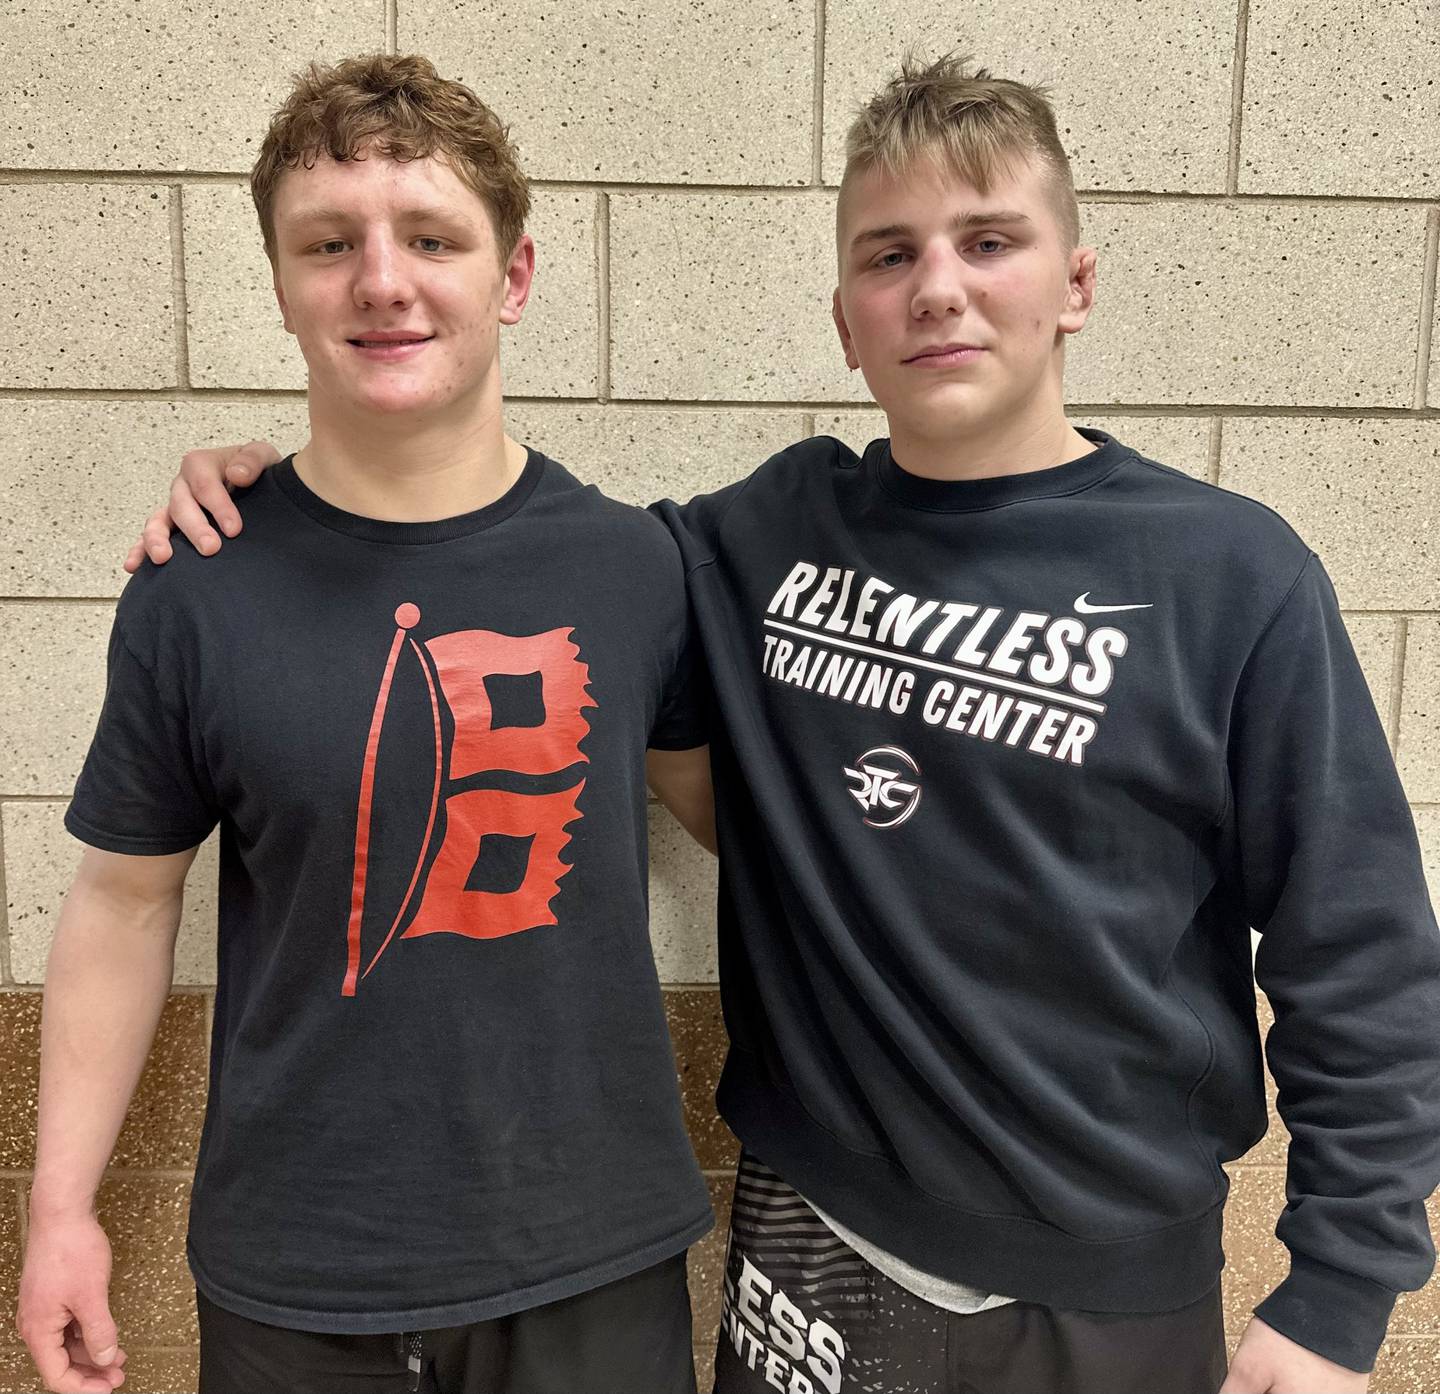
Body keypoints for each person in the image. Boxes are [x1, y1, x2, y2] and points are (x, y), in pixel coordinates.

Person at [122, 54, 1440, 1394]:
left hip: (1104, 1275)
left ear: (1076, 284)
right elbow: (501, 550)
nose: (939, 286)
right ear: (843, 319)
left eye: (990, 241)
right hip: (810, 1236)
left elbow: (1363, 942)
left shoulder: (1229, 576)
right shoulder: (757, 537)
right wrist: (271, 494)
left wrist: (1342, 1280)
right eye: (889, 254)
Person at [16, 53, 721, 1394]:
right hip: (299, 1275)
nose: (382, 281)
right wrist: (61, 1209)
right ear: (281, 282)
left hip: (590, 1261)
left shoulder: (639, 567)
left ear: (512, 275)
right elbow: (120, 902)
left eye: (431, 238)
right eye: (329, 243)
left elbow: (756, 824)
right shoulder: (197, 588)